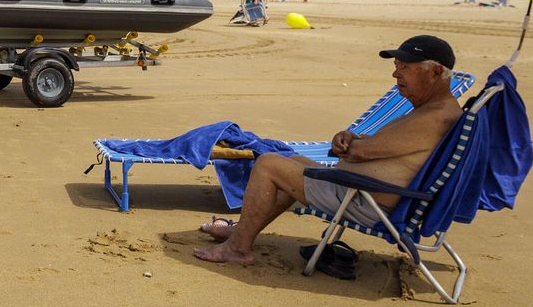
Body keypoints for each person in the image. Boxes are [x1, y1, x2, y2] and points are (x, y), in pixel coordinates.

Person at [193, 35, 464, 266]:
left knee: (269, 164)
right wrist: (353, 137)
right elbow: (391, 147)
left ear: (436, 72)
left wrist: (352, 146)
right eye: (396, 65)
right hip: (366, 193)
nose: (395, 73)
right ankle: (242, 231)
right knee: (292, 161)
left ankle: (238, 248)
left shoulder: (435, 117)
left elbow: (360, 154)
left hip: (366, 201)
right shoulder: (433, 111)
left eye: (404, 66)